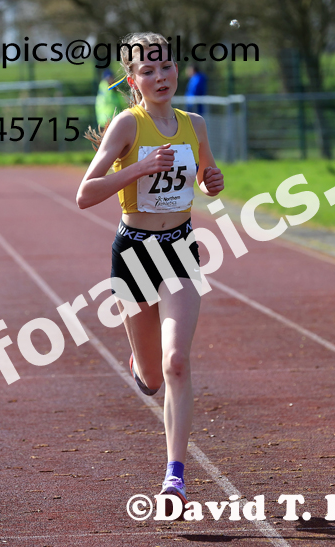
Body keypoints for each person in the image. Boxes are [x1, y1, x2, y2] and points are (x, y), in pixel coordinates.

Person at [76, 32, 224, 505]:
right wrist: (138, 169)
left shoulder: (194, 124)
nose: (160, 77)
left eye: (166, 66)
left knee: (176, 361)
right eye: (148, 70)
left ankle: (174, 478)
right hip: (135, 253)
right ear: (132, 80)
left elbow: (206, 178)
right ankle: (142, 367)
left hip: (180, 248)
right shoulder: (127, 125)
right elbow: (85, 194)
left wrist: (213, 181)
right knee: (153, 377)